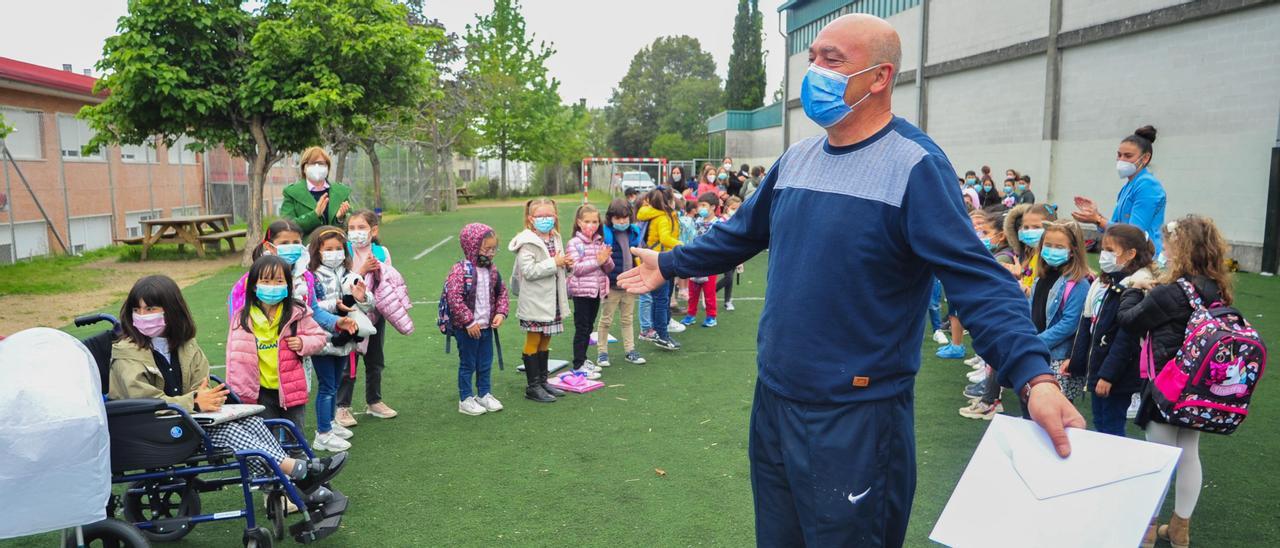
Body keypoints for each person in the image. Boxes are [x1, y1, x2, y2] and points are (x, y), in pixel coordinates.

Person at [617, 14, 1081, 547]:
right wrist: (669, 265)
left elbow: (978, 281)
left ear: (879, 77)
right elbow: (742, 233)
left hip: (856, 415)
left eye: (832, 61)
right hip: (775, 399)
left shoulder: (916, 165)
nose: (814, 71)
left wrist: (1033, 376)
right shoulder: (796, 158)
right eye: (812, 58)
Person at [109, 274, 346, 491]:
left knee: (250, 421)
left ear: (170, 310)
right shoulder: (127, 354)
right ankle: (295, 472)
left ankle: (288, 475)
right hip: (153, 430)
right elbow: (143, 401)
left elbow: (199, 384)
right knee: (231, 431)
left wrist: (203, 399)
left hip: (184, 419)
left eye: (150, 308)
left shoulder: (183, 345)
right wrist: (194, 401)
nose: (143, 316)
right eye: (137, 309)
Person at [1119, 215, 1233, 548]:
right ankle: (1181, 528)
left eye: (1168, 244)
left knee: (1158, 455)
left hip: (1166, 385)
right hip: (1200, 386)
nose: (1164, 250)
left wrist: (1133, 291)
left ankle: (1149, 528)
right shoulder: (1217, 288)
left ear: (1180, 248)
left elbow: (1129, 321)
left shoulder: (1171, 291)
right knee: (1189, 453)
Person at [225, 255, 330, 436]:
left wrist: (303, 343)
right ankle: (272, 464)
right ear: (254, 285)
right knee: (267, 437)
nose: (272, 286)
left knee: (296, 436)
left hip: (291, 387)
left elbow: (319, 337)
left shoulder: (297, 313)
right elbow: (233, 357)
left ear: (288, 285)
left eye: (279, 281)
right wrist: (238, 391)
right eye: (266, 280)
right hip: (260, 391)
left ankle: (299, 462)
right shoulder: (242, 318)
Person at [1065, 223, 1155, 436]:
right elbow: (1087, 324)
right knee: (1100, 420)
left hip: (1117, 375)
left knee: (1112, 425)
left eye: (1110, 250)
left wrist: (1108, 376)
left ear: (1131, 254)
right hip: (1098, 368)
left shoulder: (1134, 288)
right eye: (1103, 248)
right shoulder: (1104, 282)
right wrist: (1077, 361)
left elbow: (1126, 338)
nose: (1103, 254)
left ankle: (1115, 465)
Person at [307, 227, 373, 451]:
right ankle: (322, 433)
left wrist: (362, 297)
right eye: (328, 249)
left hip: (345, 339)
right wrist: (335, 304)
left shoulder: (347, 273)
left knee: (335, 383)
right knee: (326, 386)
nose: (334, 253)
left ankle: (332, 424)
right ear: (318, 251)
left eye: (338, 249)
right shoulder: (311, 276)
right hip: (323, 340)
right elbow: (311, 305)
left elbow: (367, 302)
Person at [335, 210, 402, 426]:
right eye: (352, 228)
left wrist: (380, 272)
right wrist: (362, 270)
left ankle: (374, 401)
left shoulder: (381, 252)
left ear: (373, 230)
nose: (356, 233)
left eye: (361, 228)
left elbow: (388, 281)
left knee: (375, 360)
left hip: (374, 314)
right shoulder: (343, 252)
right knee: (348, 362)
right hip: (350, 316)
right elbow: (342, 283)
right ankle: (342, 407)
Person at [958, 211, 1023, 419]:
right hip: (997, 315)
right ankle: (989, 396)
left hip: (1000, 316)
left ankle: (990, 400)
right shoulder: (1002, 255)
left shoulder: (1003, 257)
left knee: (998, 358)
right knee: (994, 360)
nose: (982, 235)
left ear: (1002, 235)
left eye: (986, 232)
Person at [509, 198, 573, 403]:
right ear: (530, 219)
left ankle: (543, 381)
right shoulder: (527, 242)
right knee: (534, 339)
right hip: (535, 301)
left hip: (552, 298)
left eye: (550, 215)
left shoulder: (555, 237)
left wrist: (566, 263)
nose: (546, 219)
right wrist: (555, 262)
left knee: (546, 339)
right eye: (540, 216)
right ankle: (533, 386)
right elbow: (528, 271)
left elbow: (559, 263)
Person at [445, 223, 509, 416]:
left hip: (487, 327)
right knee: (468, 364)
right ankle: (465, 398)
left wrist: (500, 313)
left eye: (494, 248)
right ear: (472, 246)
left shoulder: (492, 270)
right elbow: (454, 298)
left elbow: (502, 293)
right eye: (487, 248)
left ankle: (484, 394)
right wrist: (469, 322)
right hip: (467, 329)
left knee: (485, 362)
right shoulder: (460, 270)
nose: (491, 253)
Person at [1072, 126, 1167, 254]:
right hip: (1125, 255)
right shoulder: (1128, 186)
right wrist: (1095, 215)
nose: (1121, 160)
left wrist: (1098, 219)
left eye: (1128, 156)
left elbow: (1135, 232)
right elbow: (1116, 225)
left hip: (1145, 256)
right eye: (1119, 155)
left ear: (1145, 158)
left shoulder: (1147, 185)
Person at [1031, 221, 1094, 404]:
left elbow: (1069, 323)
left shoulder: (1078, 283)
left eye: (1059, 247)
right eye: (1048, 245)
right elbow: (1031, 310)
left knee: (1054, 406)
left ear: (1073, 250)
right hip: (1037, 350)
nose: (1052, 250)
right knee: (1033, 403)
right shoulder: (1041, 277)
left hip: (1057, 357)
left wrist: (1037, 341)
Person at [566, 204, 614, 380]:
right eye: (587, 221)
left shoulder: (599, 241)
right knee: (582, 328)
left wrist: (606, 259)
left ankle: (584, 358)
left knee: (588, 328)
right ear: (579, 223)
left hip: (596, 291)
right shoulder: (574, 243)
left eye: (595, 221)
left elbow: (609, 267)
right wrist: (597, 260)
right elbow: (576, 269)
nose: (591, 225)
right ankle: (578, 364)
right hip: (581, 292)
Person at [598, 199, 647, 367]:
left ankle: (630, 350)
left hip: (629, 284)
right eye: (618, 218)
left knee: (627, 319)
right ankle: (602, 353)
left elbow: (637, 256)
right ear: (610, 218)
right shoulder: (605, 235)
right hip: (611, 285)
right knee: (606, 320)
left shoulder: (633, 232)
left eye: (625, 218)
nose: (622, 221)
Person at [635, 188, 683, 351]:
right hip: (660, 261)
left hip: (657, 259)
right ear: (668, 201)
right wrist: (684, 246)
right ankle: (662, 334)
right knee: (662, 299)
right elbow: (665, 238)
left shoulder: (653, 214)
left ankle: (658, 330)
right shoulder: (662, 217)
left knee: (661, 298)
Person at [279, 147, 352, 235]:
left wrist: (340, 219)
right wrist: (314, 215)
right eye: (312, 163)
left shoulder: (341, 191)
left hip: (335, 246)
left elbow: (352, 223)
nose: (317, 167)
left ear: (327, 168)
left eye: (321, 163)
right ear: (304, 168)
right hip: (307, 247)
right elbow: (287, 226)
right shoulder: (292, 192)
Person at [681, 194, 721, 328]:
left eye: (704, 205)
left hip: (710, 263)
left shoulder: (718, 224)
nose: (700, 208)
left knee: (709, 293)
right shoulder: (696, 222)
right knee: (693, 291)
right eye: (699, 205)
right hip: (695, 261)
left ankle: (711, 316)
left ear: (713, 207)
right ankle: (690, 315)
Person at [717, 196, 744, 311]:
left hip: (734, 253)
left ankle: (727, 301)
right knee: (728, 277)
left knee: (730, 277)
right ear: (727, 208)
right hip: (723, 253)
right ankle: (711, 291)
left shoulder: (739, 220)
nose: (735, 211)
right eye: (733, 208)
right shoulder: (721, 220)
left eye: (738, 209)